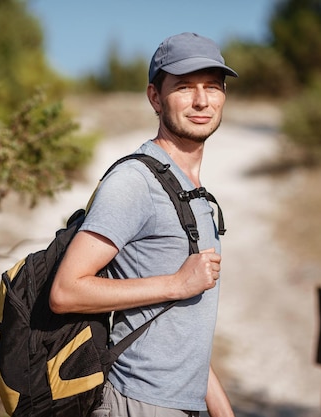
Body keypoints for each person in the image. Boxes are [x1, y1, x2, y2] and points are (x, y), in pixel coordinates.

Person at [49, 32, 237, 417]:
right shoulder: (135, 182)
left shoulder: (191, 189)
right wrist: (175, 283)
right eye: (184, 87)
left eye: (212, 88)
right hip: (138, 402)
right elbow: (66, 291)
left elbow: (183, 324)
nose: (202, 101)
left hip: (182, 404)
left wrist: (221, 409)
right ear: (155, 97)